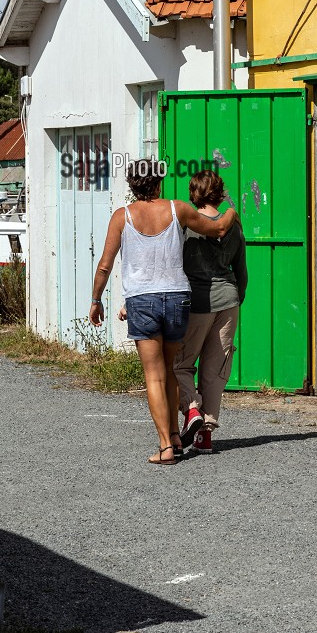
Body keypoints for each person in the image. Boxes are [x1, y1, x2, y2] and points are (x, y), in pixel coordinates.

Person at [89, 159, 238, 465]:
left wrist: (96, 300)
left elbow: (105, 265)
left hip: (142, 301)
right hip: (178, 299)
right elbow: (219, 228)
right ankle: (173, 436)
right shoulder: (178, 209)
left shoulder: (122, 216)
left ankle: (165, 448)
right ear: (158, 182)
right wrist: (233, 208)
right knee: (170, 370)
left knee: (154, 377)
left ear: (133, 186)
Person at [174, 170, 247, 455]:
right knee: (215, 371)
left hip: (196, 302)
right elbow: (242, 271)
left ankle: (192, 410)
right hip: (228, 301)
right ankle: (205, 433)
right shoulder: (234, 226)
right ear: (219, 192)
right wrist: (235, 298)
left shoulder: (188, 225)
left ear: (194, 194)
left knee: (179, 365)